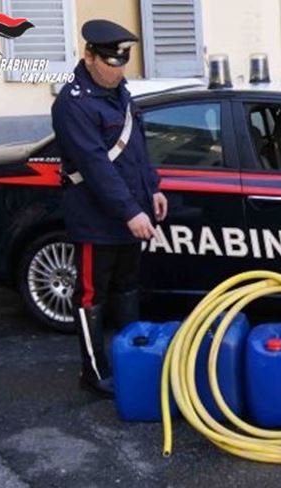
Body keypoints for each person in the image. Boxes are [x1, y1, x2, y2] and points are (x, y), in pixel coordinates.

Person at [51, 19, 168, 398]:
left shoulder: (119, 92)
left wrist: (152, 189)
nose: (118, 70)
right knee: (91, 297)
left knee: (128, 288)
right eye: (111, 63)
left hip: (129, 210)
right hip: (95, 219)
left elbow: (135, 148)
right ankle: (94, 371)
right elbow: (96, 165)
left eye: (122, 63)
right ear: (89, 57)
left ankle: (132, 359)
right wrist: (130, 212)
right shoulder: (73, 104)